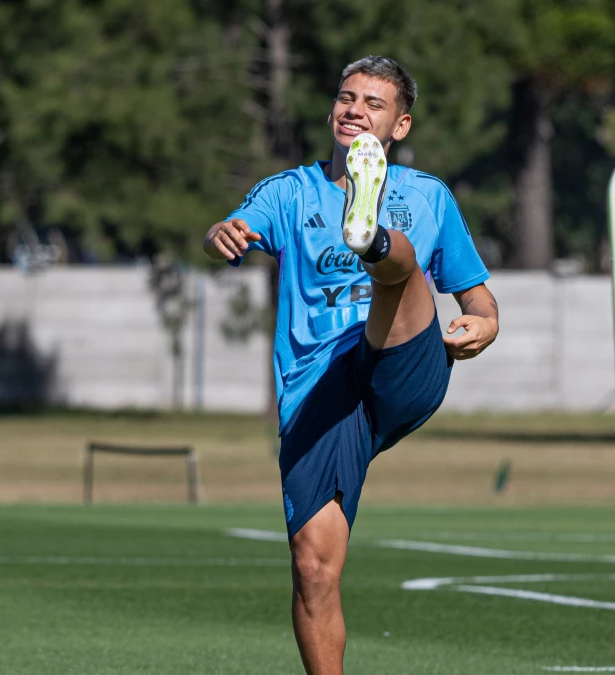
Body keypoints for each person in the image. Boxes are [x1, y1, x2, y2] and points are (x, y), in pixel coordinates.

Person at [203, 55, 498, 675]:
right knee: (313, 567)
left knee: (402, 271)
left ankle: (372, 238)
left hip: (403, 360)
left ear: (401, 125)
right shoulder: (287, 192)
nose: (354, 111)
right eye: (346, 98)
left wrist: (485, 324)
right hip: (321, 390)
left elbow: (478, 299)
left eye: (373, 104)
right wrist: (222, 234)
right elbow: (236, 226)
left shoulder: (430, 196)